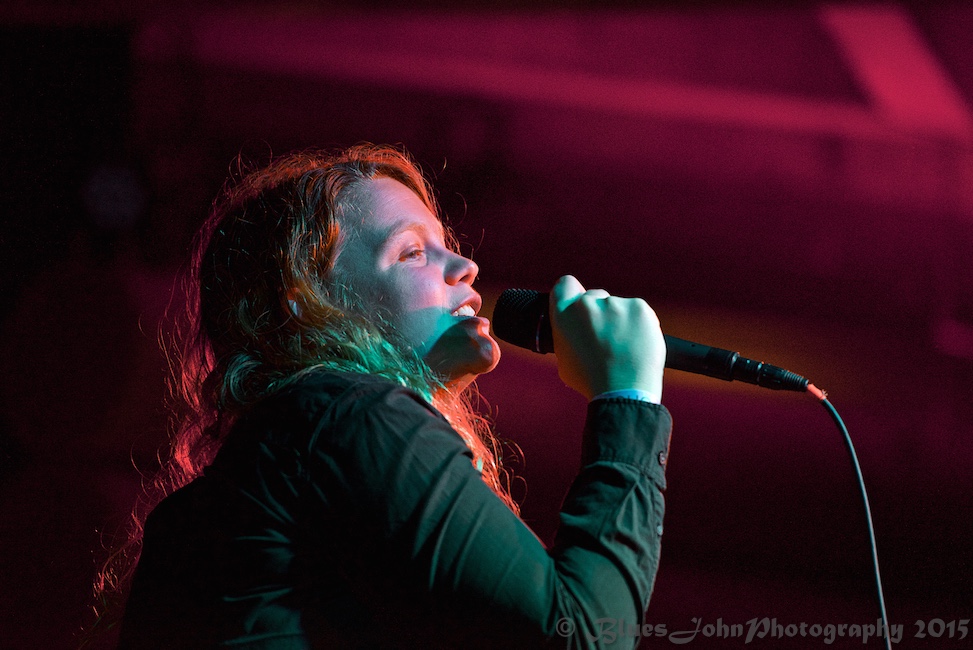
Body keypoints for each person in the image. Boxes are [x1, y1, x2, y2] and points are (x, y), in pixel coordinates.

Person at [98, 144, 672, 648]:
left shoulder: (288, 450)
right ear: (308, 303)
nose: (465, 267)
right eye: (412, 252)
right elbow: (580, 631)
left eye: (447, 245)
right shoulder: (344, 413)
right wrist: (629, 396)